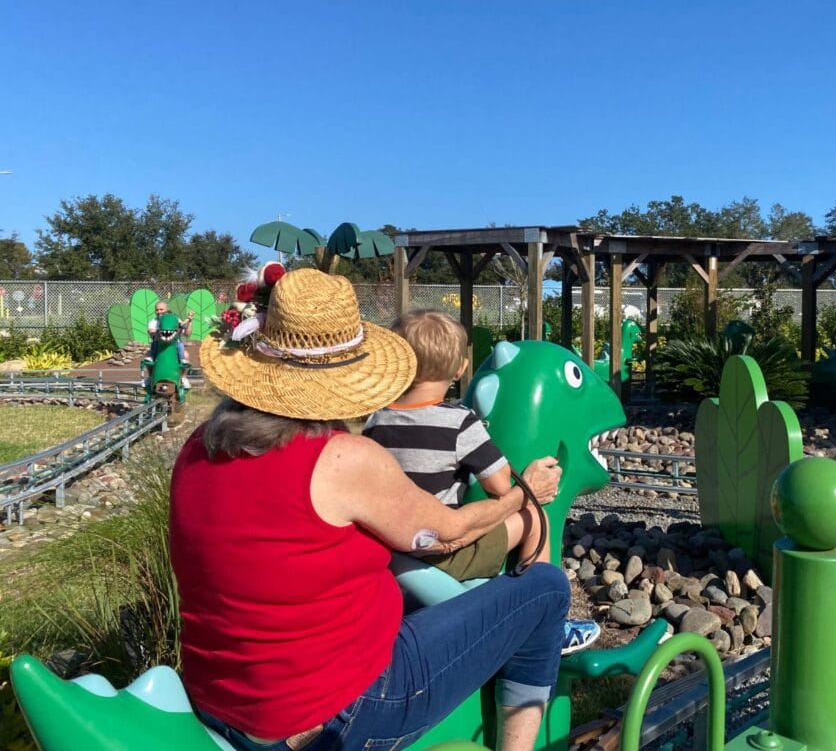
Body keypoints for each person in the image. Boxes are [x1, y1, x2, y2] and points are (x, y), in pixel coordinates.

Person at [170, 268, 569, 751]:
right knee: (545, 589)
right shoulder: (340, 458)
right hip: (338, 711)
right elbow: (447, 535)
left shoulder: (198, 448)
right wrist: (523, 496)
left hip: (222, 703)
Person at [363, 310, 599, 654]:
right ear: (460, 369)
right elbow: (502, 487)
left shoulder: (376, 420)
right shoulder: (459, 423)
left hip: (393, 545)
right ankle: (547, 623)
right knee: (536, 518)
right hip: (443, 553)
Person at [147, 300, 193, 388]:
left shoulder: (175, 319)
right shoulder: (153, 322)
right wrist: (156, 331)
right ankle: (150, 377)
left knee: (186, 355)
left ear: (167, 309)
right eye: (157, 310)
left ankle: (183, 378)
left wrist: (189, 321)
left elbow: (187, 333)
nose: (159, 312)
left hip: (173, 346)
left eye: (161, 309)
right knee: (148, 356)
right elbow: (151, 333)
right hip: (159, 346)